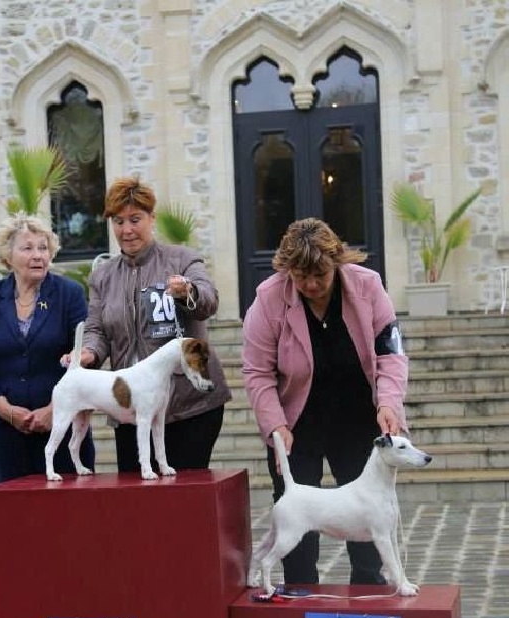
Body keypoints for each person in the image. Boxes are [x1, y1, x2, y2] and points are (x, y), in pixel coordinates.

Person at [241, 217, 408, 585]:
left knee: (368, 518)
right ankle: (299, 597)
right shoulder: (268, 298)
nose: (312, 285)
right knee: (297, 519)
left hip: (359, 419)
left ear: (337, 262)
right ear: (288, 271)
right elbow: (257, 372)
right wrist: (275, 424)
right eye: (301, 277)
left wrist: (389, 404)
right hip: (297, 424)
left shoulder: (369, 286)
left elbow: (391, 355)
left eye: (320, 275)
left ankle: (368, 596)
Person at [76, 176, 231, 473]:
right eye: (118, 222)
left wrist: (188, 291)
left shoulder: (183, 259)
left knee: (183, 501)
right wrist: (89, 354)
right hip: (129, 407)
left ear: (152, 218)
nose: (127, 230)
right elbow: (96, 329)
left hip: (190, 407)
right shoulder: (102, 276)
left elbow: (209, 301)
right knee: (138, 505)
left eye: (135, 219)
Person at [0, 213, 95, 484]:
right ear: (7, 256)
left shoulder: (68, 293)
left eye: (43, 248)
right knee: (15, 516)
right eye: (27, 248)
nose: (38, 256)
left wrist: (54, 410)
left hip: (63, 424)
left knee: (70, 514)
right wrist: (4, 409)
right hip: (5, 430)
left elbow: (84, 354)